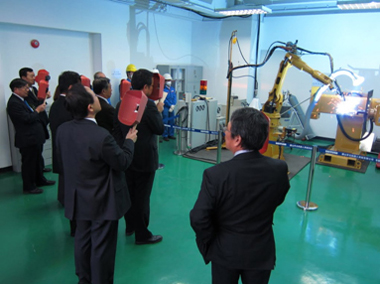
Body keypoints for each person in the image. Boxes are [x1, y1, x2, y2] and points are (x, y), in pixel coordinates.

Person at [190, 108, 290, 284]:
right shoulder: (279, 169)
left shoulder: (216, 175)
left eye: (227, 130)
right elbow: (278, 197)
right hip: (260, 251)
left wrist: (212, 242)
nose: (225, 133)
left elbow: (198, 217)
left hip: (225, 252)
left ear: (237, 139)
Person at [56, 83, 137, 284]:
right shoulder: (100, 136)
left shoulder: (62, 130)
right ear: (90, 107)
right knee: (102, 247)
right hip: (102, 200)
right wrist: (129, 142)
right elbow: (122, 162)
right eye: (93, 95)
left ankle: (84, 279)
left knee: (82, 240)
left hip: (77, 197)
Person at [113, 68, 165, 244]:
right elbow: (159, 129)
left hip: (127, 155)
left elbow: (116, 131)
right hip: (145, 159)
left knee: (130, 193)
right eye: (151, 86)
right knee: (142, 197)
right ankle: (142, 234)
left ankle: (130, 227)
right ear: (145, 87)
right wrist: (158, 110)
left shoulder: (121, 103)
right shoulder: (148, 105)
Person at [7, 79, 55, 194]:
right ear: (16, 89)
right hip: (27, 138)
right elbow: (26, 118)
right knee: (29, 163)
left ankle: (40, 179)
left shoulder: (23, 100)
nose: (27, 90)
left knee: (37, 161)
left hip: (35, 137)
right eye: (25, 88)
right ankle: (29, 186)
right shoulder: (14, 103)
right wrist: (38, 111)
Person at [49, 71, 81, 205]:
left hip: (60, 148)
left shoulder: (55, 105)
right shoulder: (70, 106)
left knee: (64, 176)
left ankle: (64, 197)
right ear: (70, 87)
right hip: (70, 149)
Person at [20, 67, 52, 174]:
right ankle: (35, 175)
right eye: (32, 76)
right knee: (32, 155)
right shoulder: (24, 94)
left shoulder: (34, 90)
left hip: (40, 123)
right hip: (31, 126)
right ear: (24, 77)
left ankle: (40, 169)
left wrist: (44, 98)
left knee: (39, 150)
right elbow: (33, 107)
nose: (35, 78)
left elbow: (39, 103)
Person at [162, 73, 177, 141]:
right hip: (166, 107)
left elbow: (174, 97)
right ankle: (165, 135)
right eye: (167, 80)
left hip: (172, 107)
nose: (169, 81)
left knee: (171, 121)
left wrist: (173, 104)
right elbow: (164, 99)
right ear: (164, 81)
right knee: (165, 121)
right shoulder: (163, 90)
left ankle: (171, 134)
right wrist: (170, 105)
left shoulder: (172, 89)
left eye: (170, 80)